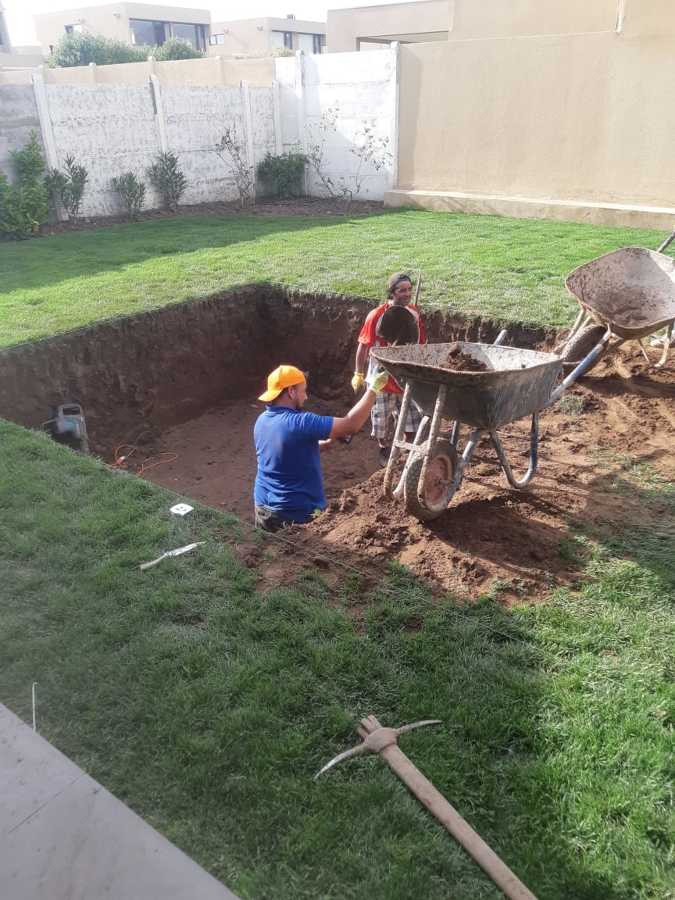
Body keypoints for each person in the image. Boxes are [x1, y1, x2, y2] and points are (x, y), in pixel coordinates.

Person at [253, 364, 388, 532]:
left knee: (269, 548)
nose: (306, 397)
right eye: (303, 391)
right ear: (291, 392)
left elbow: (284, 452)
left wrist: (321, 445)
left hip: (263, 508)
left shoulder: (262, 420)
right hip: (294, 514)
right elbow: (351, 424)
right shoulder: (301, 422)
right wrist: (373, 389)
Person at [351, 272, 427, 466]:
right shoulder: (376, 315)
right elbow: (364, 346)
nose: (407, 294)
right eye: (402, 290)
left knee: (412, 418)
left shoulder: (413, 313)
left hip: (405, 374)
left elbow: (419, 343)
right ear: (392, 292)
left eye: (409, 290)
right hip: (382, 376)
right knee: (381, 420)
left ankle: (408, 450)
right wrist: (358, 373)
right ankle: (384, 448)